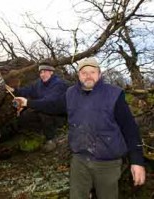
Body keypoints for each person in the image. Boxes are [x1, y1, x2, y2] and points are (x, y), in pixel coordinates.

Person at [15, 57, 146, 199]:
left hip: (108, 162)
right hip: (80, 160)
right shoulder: (71, 93)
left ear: (99, 74)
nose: (88, 76)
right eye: (84, 72)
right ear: (78, 76)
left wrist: (137, 161)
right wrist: (28, 102)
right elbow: (52, 105)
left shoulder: (114, 94)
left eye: (92, 72)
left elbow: (130, 129)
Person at [5, 61, 68, 152]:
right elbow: (27, 90)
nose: (42, 75)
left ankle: (51, 139)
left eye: (45, 72)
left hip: (58, 114)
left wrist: (27, 103)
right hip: (44, 108)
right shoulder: (39, 83)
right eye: (41, 72)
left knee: (44, 113)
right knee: (25, 116)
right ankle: (37, 133)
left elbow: (48, 103)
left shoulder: (59, 84)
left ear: (51, 72)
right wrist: (14, 90)